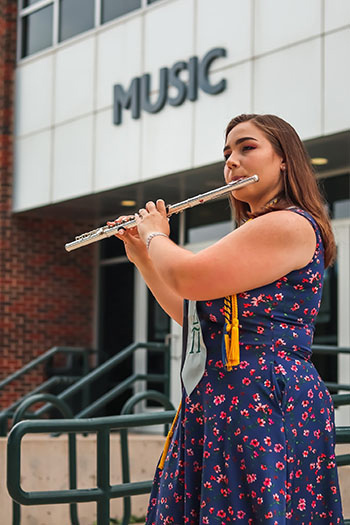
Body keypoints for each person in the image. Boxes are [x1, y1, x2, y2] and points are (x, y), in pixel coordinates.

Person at [110, 114, 344, 524]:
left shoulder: (288, 223)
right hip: (224, 396)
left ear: (284, 159)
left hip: (263, 397)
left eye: (246, 147)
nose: (232, 161)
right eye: (227, 153)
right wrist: (143, 258)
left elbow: (188, 275)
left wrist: (156, 234)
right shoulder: (256, 230)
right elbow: (192, 312)